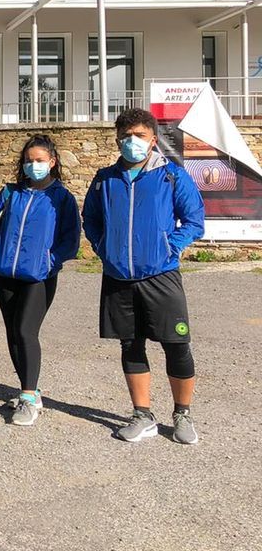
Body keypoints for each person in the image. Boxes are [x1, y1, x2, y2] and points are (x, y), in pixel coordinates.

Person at [83, 108, 205, 445]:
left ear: (152, 139)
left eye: (138, 135)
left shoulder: (172, 175)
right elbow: (90, 218)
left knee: (177, 345)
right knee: (130, 345)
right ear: (117, 140)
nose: (131, 142)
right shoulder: (105, 178)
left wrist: (170, 246)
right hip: (118, 277)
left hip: (161, 275)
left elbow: (194, 220)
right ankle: (142, 414)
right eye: (125, 137)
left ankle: (182, 414)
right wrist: (103, 246)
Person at [0, 134, 81, 427]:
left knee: (26, 331)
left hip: (38, 277)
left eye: (39, 161)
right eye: (28, 161)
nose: (33, 165)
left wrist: (50, 262)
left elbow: (69, 239)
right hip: (3, 275)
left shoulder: (61, 198)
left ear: (51, 162)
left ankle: (27, 398)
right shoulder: (11, 193)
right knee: (13, 333)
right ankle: (30, 390)